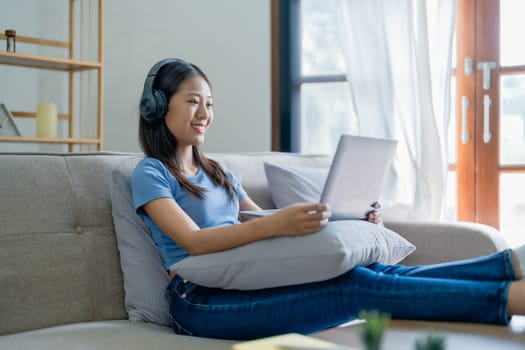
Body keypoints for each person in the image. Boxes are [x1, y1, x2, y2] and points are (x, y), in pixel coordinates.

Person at [131, 58, 525, 340]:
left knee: (373, 275)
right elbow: (194, 242)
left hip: (242, 280)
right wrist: (279, 223)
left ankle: (507, 264)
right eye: (193, 101)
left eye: (210, 104)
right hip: (198, 303)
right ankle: (507, 299)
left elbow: (257, 219)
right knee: (353, 290)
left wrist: (341, 217)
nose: (204, 113)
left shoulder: (218, 171)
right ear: (159, 106)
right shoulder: (151, 173)